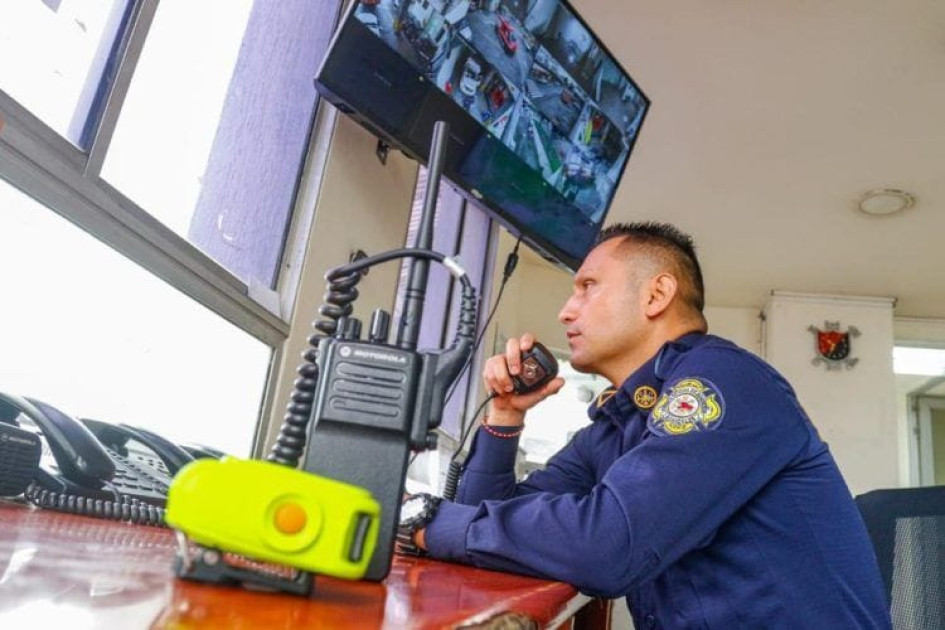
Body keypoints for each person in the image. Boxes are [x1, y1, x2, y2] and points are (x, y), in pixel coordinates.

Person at [396, 222, 892, 629]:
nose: (566, 311)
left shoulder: (726, 382)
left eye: (587, 287)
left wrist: (420, 516)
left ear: (656, 294)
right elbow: (485, 524)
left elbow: (609, 546)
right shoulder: (615, 427)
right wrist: (505, 417)